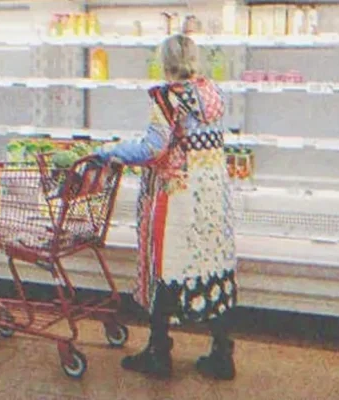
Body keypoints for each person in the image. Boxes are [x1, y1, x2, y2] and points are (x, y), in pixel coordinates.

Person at [93, 34, 238, 380]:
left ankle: (158, 353)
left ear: (164, 62)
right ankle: (222, 353)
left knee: (167, 268)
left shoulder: (167, 98)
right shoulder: (213, 93)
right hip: (212, 194)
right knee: (211, 264)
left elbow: (153, 149)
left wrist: (109, 151)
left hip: (178, 195)